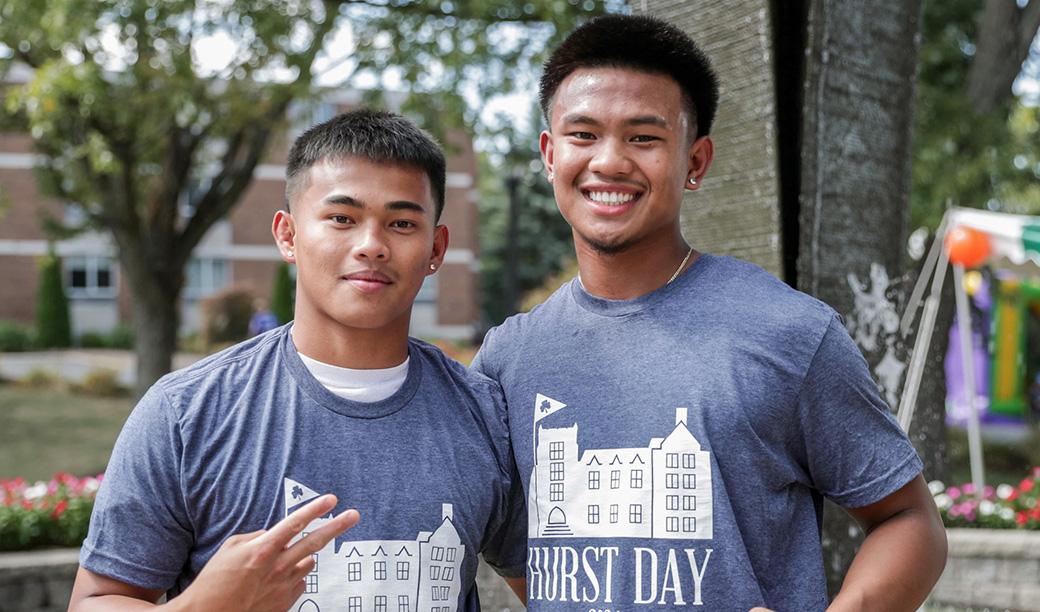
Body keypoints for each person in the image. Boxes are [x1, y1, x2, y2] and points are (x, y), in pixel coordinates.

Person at [471, 14, 947, 611]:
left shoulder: (788, 333)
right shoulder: (508, 359)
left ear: (695, 161)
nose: (610, 162)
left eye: (644, 138)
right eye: (583, 134)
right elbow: (524, 559)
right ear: (549, 153)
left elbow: (909, 520)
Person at [70, 110, 526, 610]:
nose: (371, 245)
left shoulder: (483, 415)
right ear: (288, 235)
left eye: (401, 223)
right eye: (341, 218)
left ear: (435, 248)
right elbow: (96, 601)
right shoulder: (187, 412)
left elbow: (550, 589)